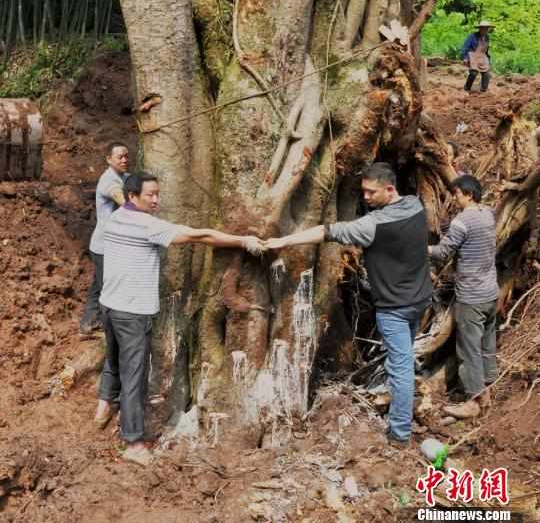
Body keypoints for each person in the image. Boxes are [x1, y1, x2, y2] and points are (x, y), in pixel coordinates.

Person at [95, 172, 264, 466]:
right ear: (133, 196)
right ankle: (133, 442)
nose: (156, 199)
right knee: (134, 375)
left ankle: (103, 405)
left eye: (158, 193)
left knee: (113, 357)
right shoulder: (147, 225)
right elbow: (201, 236)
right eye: (150, 195)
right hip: (132, 312)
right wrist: (242, 240)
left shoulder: (115, 218)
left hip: (108, 305)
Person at [266, 162, 432, 446]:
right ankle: (404, 417)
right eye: (363, 191)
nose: (365, 197)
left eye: (371, 192)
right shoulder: (416, 205)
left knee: (400, 368)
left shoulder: (373, 225)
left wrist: (282, 241)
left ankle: (400, 433)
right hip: (419, 300)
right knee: (404, 362)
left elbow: (326, 232)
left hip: (393, 308)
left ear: (389, 189)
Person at [429, 175, 498, 419]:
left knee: (468, 349)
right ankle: (489, 389)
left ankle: (474, 400)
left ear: (469, 194)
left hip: (471, 296)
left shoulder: (462, 220)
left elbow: (442, 252)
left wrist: (417, 246)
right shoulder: (489, 213)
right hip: (491, 293)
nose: (455, 199)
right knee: (487, 344)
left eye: (457, 194)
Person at [79, 142, 130, 335]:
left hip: (110, 244)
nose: (124, 160)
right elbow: (123, 201)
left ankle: (87, 324)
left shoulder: (124, 177)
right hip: (104, 246)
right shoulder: (109, 181)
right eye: (120, 157)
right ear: (109, 159)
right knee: (108, 287)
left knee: (98, 285)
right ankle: (110, 328)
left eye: (126, 156)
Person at [461, 20, 494, 94]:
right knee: (473, 73)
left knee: (486, 74)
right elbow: (465, 47)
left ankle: (483, 90)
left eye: (486, 28)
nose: (485, 30)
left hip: (482, 56)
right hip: (473, 56)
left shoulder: (487, 37)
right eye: (483, 28)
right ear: (480, 28)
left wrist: (488, 61)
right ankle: (467, 88)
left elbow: (486, 50)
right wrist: (465, 58)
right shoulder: (472, 36)